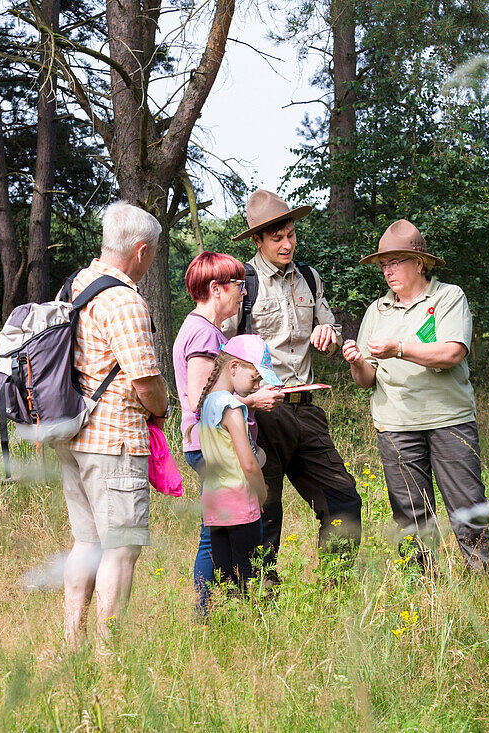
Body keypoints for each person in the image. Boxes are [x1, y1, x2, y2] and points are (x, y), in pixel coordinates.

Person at [341, 219, 489, 573]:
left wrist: (399, 349)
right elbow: (367, 379)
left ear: (419, 263)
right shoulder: (377, 311)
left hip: (448, 419)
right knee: (409, 512)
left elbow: (452, 353)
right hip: (395, 423)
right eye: (383, 265)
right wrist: (355, 362)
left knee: (468, 505)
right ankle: (421, 585)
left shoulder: (448, 297)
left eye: (395, 262)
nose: (388, 271)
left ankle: (487, 581)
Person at [227, 189, 363, 582]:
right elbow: (220, 353)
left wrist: (328, 335)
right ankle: (259, 597)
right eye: (276, 238)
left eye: (291, 234)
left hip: (306, 409)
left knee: (343, 498)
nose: (287, 244)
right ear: (257, 240)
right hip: (261, 413)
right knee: (264, 512)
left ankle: (336, 588)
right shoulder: (242, 284)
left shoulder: (308, 276)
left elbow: (332, 334)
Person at [55, 201, 168, 648]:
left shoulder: (76, 284)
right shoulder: (124, 301)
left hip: (73, 431)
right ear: (141, 251)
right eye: (154, 252)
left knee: (87, 543)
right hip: (114, 441)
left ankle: (72, 642)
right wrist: (162, 410)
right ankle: (107, 653)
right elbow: (145, 381)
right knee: (121, 550)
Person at [173, 252, 283, 613]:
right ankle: (208, 612)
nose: (243, 292)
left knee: (218, 530)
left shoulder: (205, 330)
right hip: (213, 448)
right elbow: (202, 401)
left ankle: (222, 608)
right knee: (214, 536)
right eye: (238, 284)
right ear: (215, 289)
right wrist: (253, 400)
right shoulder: (203, 334)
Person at [194, 335, 282, 593]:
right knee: (249, 576)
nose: (256, 386)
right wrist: (262, 494)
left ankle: (224, 624)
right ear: (234, 367)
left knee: (224, 577)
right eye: (255, 378)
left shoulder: (207, 403)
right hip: (241, 504)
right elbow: (249, 464)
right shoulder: (232, 407)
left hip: (215, 504)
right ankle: (251, 625)